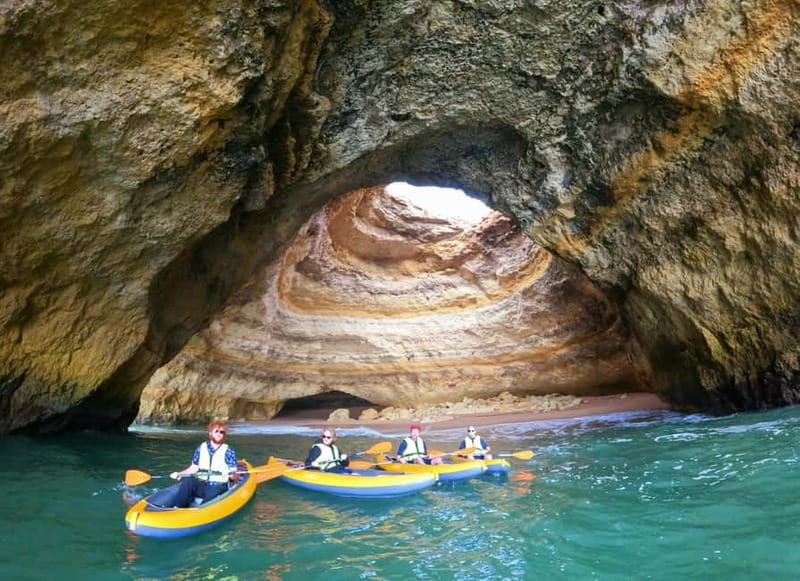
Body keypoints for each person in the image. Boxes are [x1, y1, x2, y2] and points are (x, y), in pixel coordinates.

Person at [168, 420, 237, 507]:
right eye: (216, 431)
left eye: (222, 432)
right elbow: (193, 468)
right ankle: (177, 507)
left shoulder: (228, 451)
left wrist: (232, 474)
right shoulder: (201, 448)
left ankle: (202, 510)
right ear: (210, 433)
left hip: (218, 485)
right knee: (189, 481)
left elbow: (234, 472)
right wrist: (180, 474)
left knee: (213, 491)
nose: (219, 434)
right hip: (201, 483)